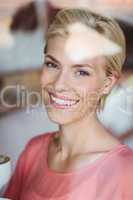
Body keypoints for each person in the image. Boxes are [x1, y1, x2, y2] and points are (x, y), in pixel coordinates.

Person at [4, 8, 133, 199]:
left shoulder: (124, 172)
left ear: (107, 84)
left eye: (81, 72)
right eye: (52, 64)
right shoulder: (33, 150)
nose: (58, 85)